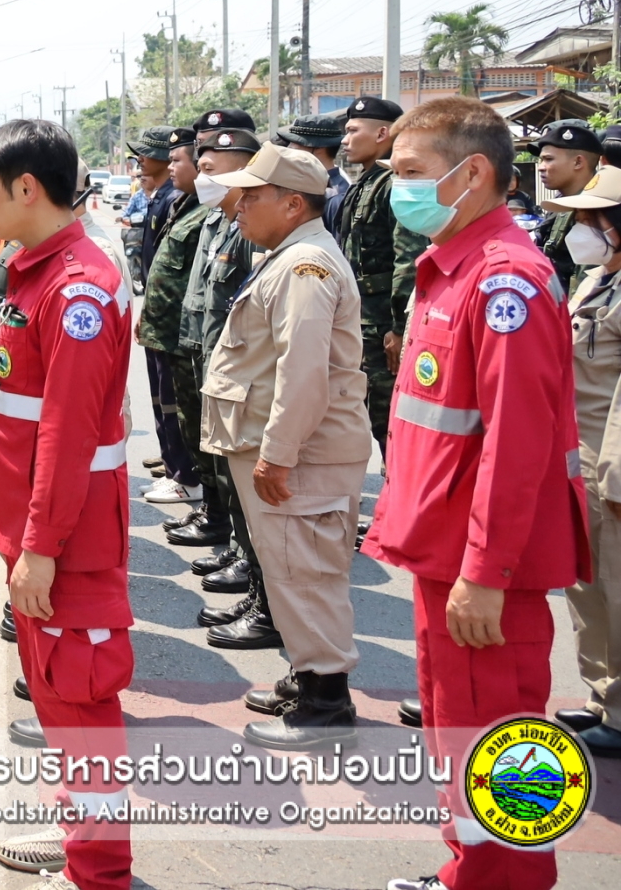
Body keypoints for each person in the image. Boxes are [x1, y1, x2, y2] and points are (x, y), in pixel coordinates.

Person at [367, 97, 588, 890]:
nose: (398, 189)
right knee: (456, 729)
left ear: (473, 174)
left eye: (410, 172)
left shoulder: (504, 280)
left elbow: (518, 442)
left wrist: (486, 571)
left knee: (501, 743)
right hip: (446, 553)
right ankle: (468, 870)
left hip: (484, 566)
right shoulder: (453, 266)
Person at [0, 120, 134, 889]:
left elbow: (67, 437)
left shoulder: (76, 289)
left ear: (28, 188)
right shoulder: (36, 269)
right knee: (58, 701)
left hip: (65, 539)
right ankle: (79, 835)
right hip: (38, 530)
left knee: (79, 699)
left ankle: (98, 867)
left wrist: (39, 546)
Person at [201, 144, 373, 748]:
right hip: (291, 448)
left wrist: (278, 453)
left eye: (252, 196)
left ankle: (326, 706)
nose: (238, 206)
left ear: (293, 203)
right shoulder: (289, 256)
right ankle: (308, 676)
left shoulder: (306, 267)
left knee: (306, 574)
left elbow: (303, 372)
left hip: (302, 454)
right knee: (290, 569)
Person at [181, 117, 276, 650]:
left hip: (245, 389)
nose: (203, 177)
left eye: (212, 168)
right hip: (220, 376)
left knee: (252, 500)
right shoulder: (222, 223)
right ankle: (256, 587)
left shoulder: (254, 235)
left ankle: (268, 605)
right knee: (232, 488)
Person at [538, 164, 621, 760]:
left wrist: (615, 473)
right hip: (578, 455)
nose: (582, 230)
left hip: (610, 462)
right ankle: (602, 695)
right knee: (586, 586)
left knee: (617, 588)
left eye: (593, 220)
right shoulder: (596, 279)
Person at [336, 95, 431, 459]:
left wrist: (399, 328)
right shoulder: (367, 181)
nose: (345, 140)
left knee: (389, 419)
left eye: (352, 131)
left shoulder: (394, 183)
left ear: (382, 134)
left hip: (382, 327)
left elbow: (409, 258)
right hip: (363, 320)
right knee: (373, 416)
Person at [128, 127, 201, 499]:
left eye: (175, 159)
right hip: (160, 316)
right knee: (163, 398)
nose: (140, 160)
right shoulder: (170, 199)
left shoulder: (180, 199)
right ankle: (174, 465)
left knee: (176, 401)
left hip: (175, 323)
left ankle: (184, 473)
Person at [535, 118, 601, 291]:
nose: (541, 167)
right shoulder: (567, 204)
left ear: (578, 162)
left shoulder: (596, 211)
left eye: (548, 159)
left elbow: (588, 285)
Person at [279, 112, 350, 231]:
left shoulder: (337, 196)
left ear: (318, 148)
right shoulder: (308, 185)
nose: (289, 147)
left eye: (296, 142)